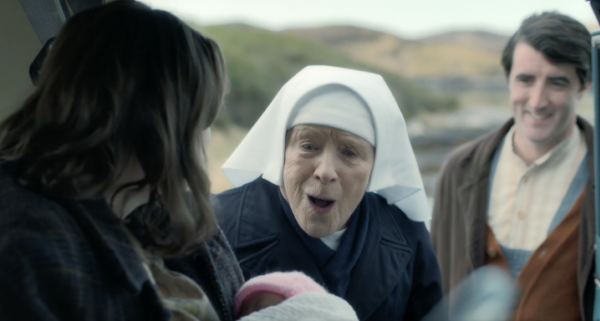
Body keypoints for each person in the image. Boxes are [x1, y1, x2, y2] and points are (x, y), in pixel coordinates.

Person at [0, 2, 358, 321]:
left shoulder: (178, 222)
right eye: (204, 118)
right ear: (162, 120)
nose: (208, 135)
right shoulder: (26, 249)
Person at [214, 65, 443, 321]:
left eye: (349, 152)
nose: (325, 172)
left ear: (376, 166)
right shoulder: (214, 227)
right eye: (309, 146)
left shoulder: (409, 237)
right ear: (281, 150)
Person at [430, 12, 594, 321]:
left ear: (583, 86)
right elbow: (437, 282)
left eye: (557, 82)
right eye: (525, 80)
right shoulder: (459, 169)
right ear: (508, 80)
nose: (537, 100)